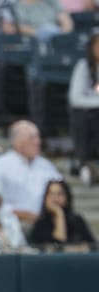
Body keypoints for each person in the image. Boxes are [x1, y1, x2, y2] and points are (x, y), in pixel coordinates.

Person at [0, 120, 61, 226]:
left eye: (38, 137)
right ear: (17, 141)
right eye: (32, 138)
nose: (38, 142)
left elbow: (60, 191)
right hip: (10, 222)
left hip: (45, 223)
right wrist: (20, 214)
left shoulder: (47, 166)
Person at [29, 179, 96, 252]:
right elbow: (56, 248)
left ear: (67, 197)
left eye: (59, 194)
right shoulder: (40, 224)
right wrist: (59, 214)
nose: (55, 198)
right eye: (51, 194)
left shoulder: (77, 221)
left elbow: (92, 245)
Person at [68, 29, 99, 184]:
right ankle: (85, 161)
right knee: (85, 116)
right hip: (89, 116)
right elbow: (75, 99)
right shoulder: (83, 67)